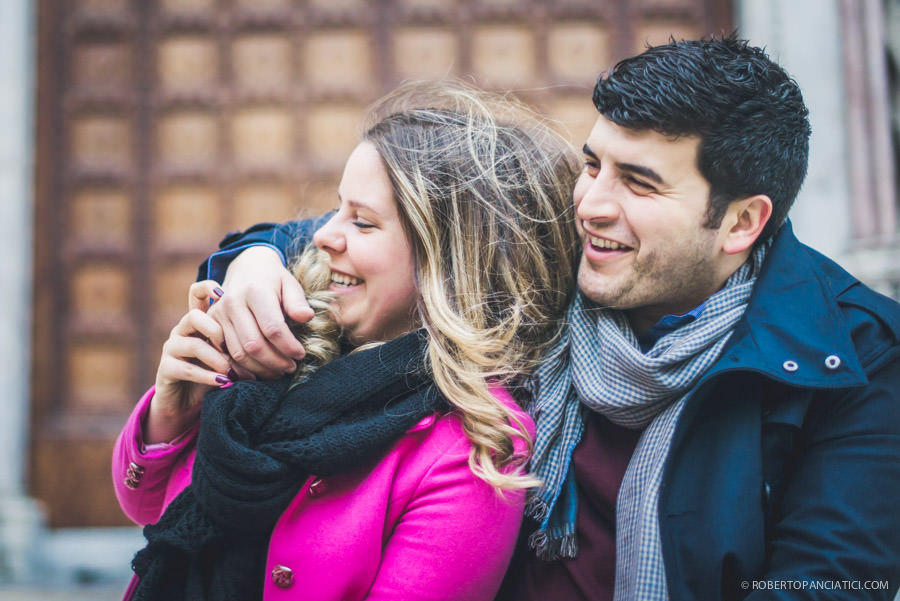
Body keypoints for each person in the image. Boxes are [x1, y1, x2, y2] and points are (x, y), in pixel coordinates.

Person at [190, 37, 900, 600]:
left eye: (639, 182)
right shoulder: (562, 256)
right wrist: (250, 262)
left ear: (742, 221)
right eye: (594, 164)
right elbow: (360, 238)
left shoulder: (858, 357)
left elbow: (828, 583)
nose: (590, 203)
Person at [112, 79, 583, 601]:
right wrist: (169, 417)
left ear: (449, 260)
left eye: (361, 222)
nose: (321, 236)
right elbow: (149, 506)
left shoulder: (473, 446)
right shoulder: (283, 343)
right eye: (338, 209)